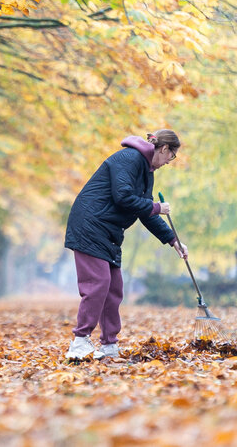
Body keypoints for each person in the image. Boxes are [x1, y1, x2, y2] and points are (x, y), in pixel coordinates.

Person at [64, 130, 188, 360]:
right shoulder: (129, 159)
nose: (168, 162)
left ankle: (109, 344)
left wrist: (173, 240)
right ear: (164, 149)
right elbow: (123, 196)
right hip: (89, 226)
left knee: (114, 289)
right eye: (171, 157)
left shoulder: (146, 172)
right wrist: (156, 207)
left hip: (109, 232)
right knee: (98, 283)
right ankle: (79, 342)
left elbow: (145, 212)